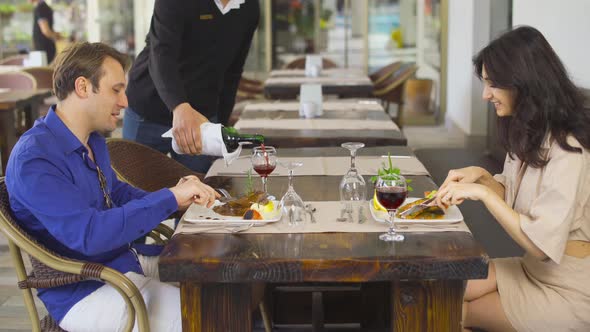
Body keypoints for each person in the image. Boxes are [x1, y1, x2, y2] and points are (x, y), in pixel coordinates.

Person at [5, 42, 219, 331]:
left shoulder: (91, 140)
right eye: (116, 90)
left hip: (122, 264)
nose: (125, 102)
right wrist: (168, 199)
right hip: (85, 290)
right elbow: (90, 234)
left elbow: (117, 194)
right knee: (210, 316)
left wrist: (176, 198)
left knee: (222, 282)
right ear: (83, 87)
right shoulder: (35, 158)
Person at [433, 26, 590, 332]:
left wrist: (484, 194)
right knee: (438, 292)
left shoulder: (569, 149)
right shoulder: (530, 129)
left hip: (567, 286)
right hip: (531, 270)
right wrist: (480, 177)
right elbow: (516, 196)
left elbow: (540, 244)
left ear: (523, 83)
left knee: (447, 314)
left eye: (493, 84)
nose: (485, 94)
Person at [123, 0, 260, 173]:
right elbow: (161, 55)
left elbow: (232, 71)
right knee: (137, 186)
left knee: (203, 188)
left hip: (201, 116)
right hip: (149, 110)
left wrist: (221, 126)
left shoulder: (249, 7)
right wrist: (179, 107)